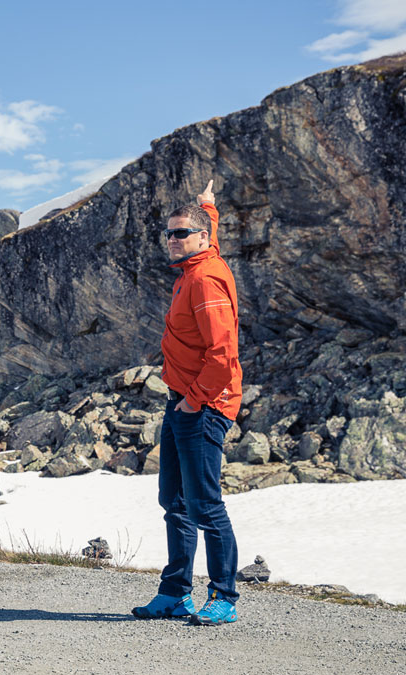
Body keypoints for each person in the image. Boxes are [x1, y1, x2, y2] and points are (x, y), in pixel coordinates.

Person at [132, 179, 244, 626]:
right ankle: (175, 594)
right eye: (168, 233)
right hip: (183, 400)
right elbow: (207, 227)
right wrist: (207, 207)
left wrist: (194, 402)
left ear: (199, 240)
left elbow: (223, 355)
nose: (172, 240)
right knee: (173, 500)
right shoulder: (202, 255)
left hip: (205, 404)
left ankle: (224, 597)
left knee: (204, 504)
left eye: (182, 233)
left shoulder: (205, 281)